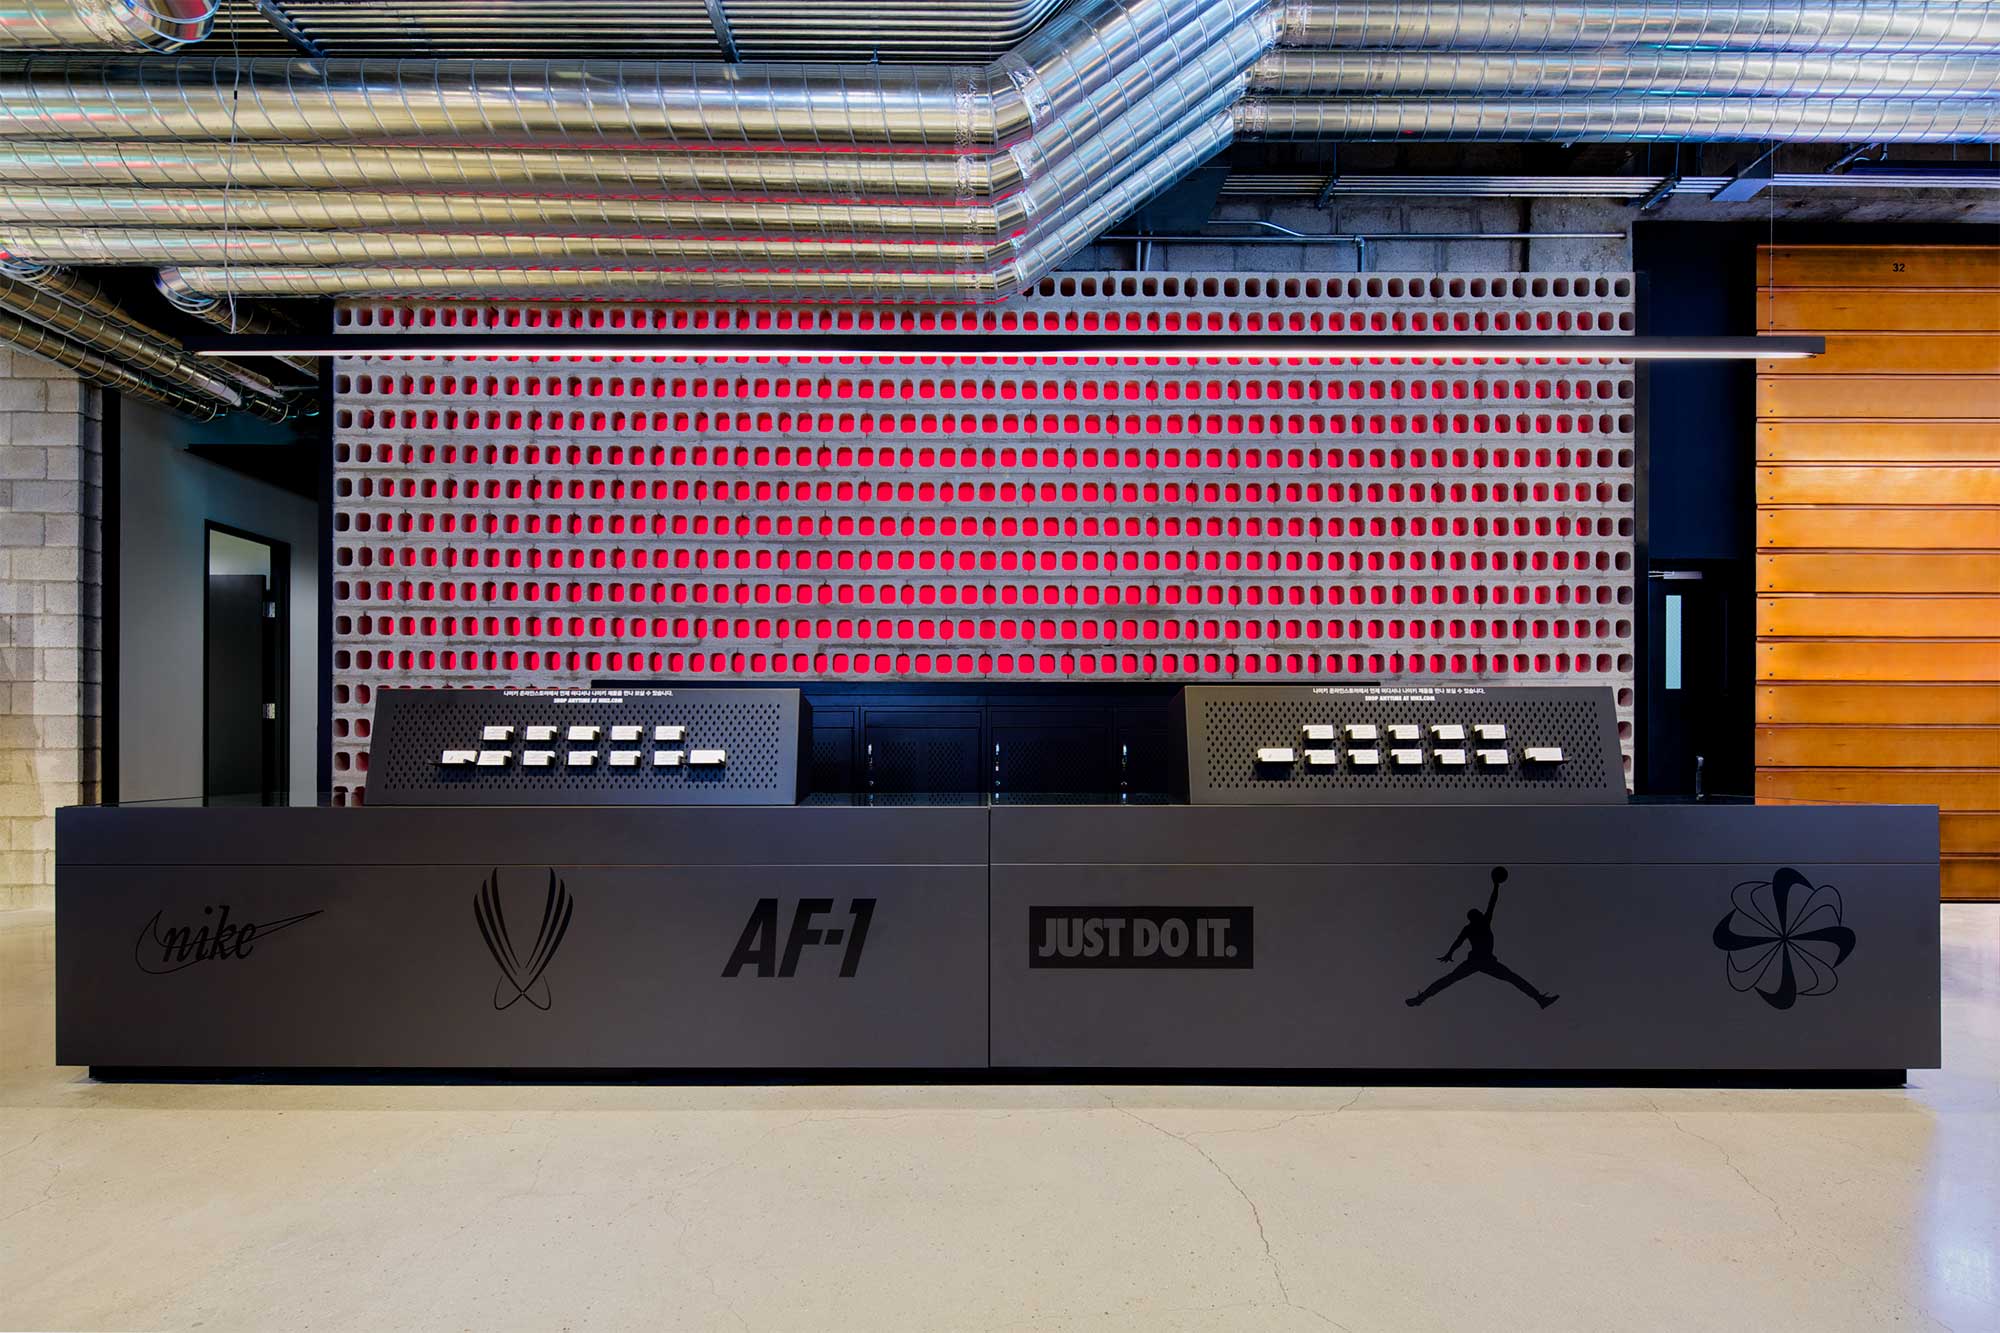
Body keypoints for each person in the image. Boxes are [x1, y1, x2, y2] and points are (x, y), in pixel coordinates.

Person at [1405, 866, 1558, 1009]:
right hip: (1479, 960)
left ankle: (1540, 999)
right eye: (1477, 913)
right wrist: (1496, 885)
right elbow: (1490, 904)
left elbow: (1491, 904)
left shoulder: (1475, 925)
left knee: (1451, 979)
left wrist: (1450, 953)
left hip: (1484, 960)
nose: (1479, 913)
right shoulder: (1480, 924)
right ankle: (1539, 999)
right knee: (1512, 978)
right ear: (1474, 917)